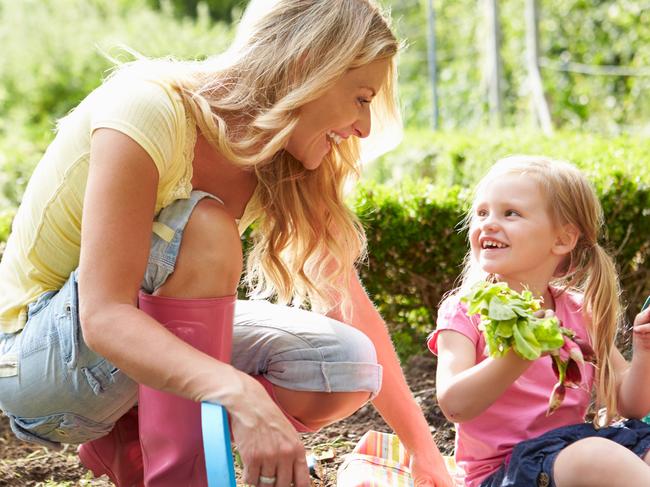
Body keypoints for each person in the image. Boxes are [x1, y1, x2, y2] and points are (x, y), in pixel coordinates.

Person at [0, 1, 453, 486]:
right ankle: (182, 476)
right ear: (307, 68)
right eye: (362, 98)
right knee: (205, 229)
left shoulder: (285, 156)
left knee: (348, 364)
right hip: (37, 364)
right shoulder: (148, 110)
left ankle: (131, 442)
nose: (364, 127)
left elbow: (347, 302)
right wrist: (240, 394)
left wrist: (424, 453)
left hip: (114, 356)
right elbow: (104, 317)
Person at [428, 156, 650, 487]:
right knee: (595, 456)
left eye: (511, 213)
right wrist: (518, 354)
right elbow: (455, 405)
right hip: (504, 472)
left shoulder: (577, 311)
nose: (488, 223)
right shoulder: (464, 312)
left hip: (568, 451)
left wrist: (645, 351)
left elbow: (631, 405)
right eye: (482, 212)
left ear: (562, 239)